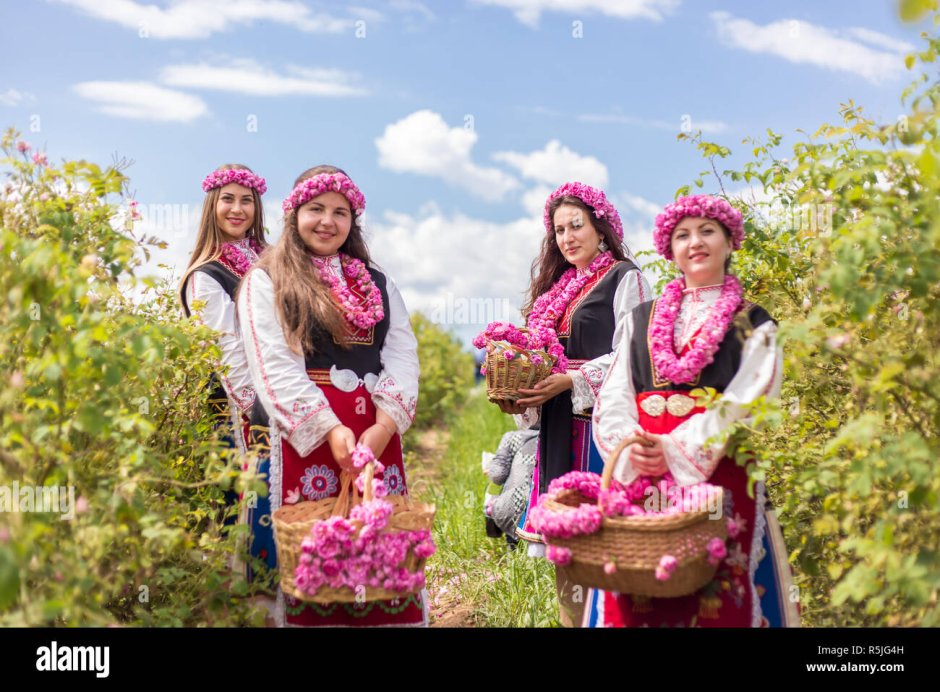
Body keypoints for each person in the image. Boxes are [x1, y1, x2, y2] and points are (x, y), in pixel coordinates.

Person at [587, 194, 800, 627]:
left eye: (707, 231)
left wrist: (675, 448)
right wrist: (632, 448)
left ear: (729, 241)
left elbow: (750, 398)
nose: (695, 242)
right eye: (682, 235)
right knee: (637, 593)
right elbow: (614, 394)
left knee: (719, 598)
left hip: (718, 476)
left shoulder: (755, 323)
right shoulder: (640, 319)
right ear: (670, 249)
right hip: (641, 473)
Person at [238, 165, 424, 627]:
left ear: (352, 222)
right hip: (315, 433)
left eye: (341, 213)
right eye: (316, 209)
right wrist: (331, 431)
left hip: (376, 431)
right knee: (317, 544)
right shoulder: (268, 280)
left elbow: (402, 352)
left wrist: (383, 427)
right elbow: (274, 364)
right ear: (293, 214)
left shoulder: (376, 280)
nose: (328, 221)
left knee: (379, 540)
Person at [503, 181, 652, 626]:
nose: (567, 237)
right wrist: (523, 388)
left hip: (600, 427)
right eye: (558, 230)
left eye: (576, 225)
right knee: (565, 543)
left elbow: (635, 351)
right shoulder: (558, 288)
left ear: (601, 229)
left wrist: (570, 378)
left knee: (604, 540)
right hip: (557, 426)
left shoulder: (626, 278)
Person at [179, 163, 267, 513]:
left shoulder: (272, 260)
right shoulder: (207, 274)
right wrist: (258, 411)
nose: (237, 209)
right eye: (227, 199)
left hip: (279, 390)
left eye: (247, 200)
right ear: (212, 206)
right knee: (243, 501)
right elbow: (225, 349)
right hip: (235, 404)